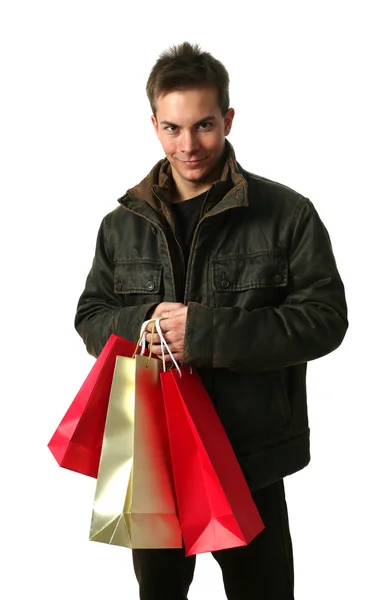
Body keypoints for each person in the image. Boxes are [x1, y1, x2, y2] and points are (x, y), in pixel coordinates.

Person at [75, 42, 348, 600]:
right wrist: (145, 319)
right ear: (154, 124)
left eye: (202, 125)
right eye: (172, 128)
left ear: (227, 118)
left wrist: (206, 333)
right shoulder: (119, 225)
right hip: (152, 457)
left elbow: (325, 319)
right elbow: (90, 318)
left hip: (249, 456)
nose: (189, 145)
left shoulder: (287, 214)